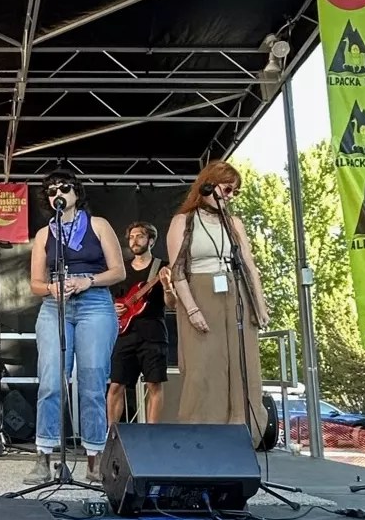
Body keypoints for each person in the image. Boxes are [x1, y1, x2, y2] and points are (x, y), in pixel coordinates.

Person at [25, 171, 126, 485]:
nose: (59, 192)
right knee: (51, 381)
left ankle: (94, 460)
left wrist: (88, 280)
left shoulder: (99, 225)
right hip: (55, 307)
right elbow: (35, 283)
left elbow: (119, 271)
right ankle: (43, 456)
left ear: (76, 193)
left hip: (94, 302)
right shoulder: (44, 234)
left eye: (65, 187)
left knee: (93, 381)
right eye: (53, 189)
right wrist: (50, 289)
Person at [165, 160, 270, 439]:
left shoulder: (234, 222)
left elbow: (248, 263)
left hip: (236, 294)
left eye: (235, 191)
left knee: (242, 363)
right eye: (227, 188)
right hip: (200, 292)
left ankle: (243, 431)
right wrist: (191, 309)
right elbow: (178, 271)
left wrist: (259, 304)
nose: (230, 195)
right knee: (203, 367)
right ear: (208, 185)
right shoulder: (183, 221)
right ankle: (202, 436)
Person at [107, 221, 175, 424]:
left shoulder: (162, 267)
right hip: (124, 334)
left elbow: (171, 305)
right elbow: (110, 300)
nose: (134, 241)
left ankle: (152, 436)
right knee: (115, 385)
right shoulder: (121, 270)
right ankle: (112, 436)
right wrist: (112, 308)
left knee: (154, 385)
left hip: (153, 334)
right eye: (131, 237)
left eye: (140, 236)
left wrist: (167, 285)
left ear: (151, 240)